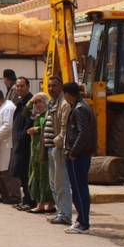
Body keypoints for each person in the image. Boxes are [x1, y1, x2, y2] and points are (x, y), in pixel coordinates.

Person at [63, 82, 97, 234]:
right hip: (79, 154)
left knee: (78, 189)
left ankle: (83, 223)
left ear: (67, 94)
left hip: (78, 156)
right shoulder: (80, 106)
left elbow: (83, 133)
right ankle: (81, 220)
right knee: (78, 188)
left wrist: (73, 152)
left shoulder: (79, 109)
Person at [46, 76, 73, 226]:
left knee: (61, 183)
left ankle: (65, 215)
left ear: (61, 87)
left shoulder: (64, 104)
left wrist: (58, 142)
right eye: (49, 86)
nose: (51, 88)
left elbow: (64, 128)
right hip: (50, 148)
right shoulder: (52, 103)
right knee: (53, 183)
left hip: (59, 148)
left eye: (54, 86)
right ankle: (60, 212)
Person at [27, 93, 55, 213]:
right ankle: (44, 203)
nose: (37, 104)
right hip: (36, 151)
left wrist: (37, 129)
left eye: (40, 102)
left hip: (44, 150)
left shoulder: (48, 114)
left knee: (44, 177)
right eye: (35, 102)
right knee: (38, 176)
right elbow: (25, 112)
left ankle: (44, 204)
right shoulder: (37, 115)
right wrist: (31, 101)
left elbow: (49, 128)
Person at [9, 76, 34, 210]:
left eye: (22, 86)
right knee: (21, 173)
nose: (19, 88)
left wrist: (21, 138)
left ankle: (30, 201)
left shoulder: (31, 103)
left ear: (28, 87)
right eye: (17, 86)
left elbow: (29, 123)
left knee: (26, 173)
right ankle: (26, 199)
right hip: (18, 143)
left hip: (26, 144)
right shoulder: (21, 102)